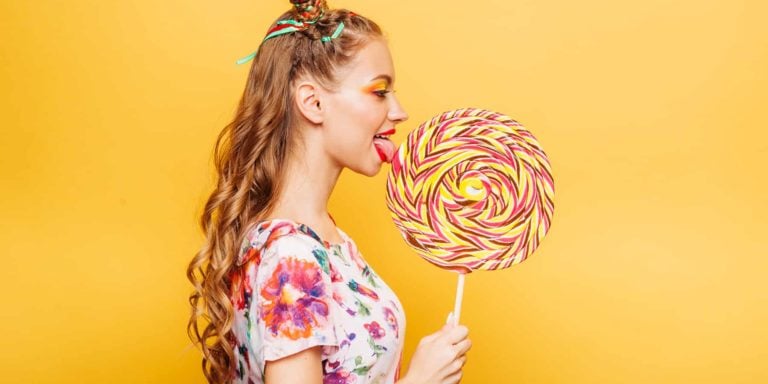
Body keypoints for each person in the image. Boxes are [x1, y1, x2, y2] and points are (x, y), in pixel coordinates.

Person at [187, 1, 471, 383]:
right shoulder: (292, 257)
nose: (400, 111)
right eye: (379, 91)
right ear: (313, 102)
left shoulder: (323, 240)